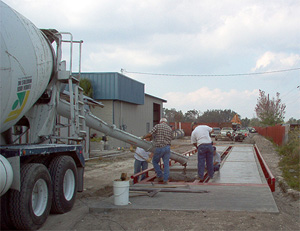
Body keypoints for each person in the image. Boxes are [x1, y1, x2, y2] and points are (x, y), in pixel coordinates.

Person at [143, 118, 173, 184]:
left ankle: (159, 175)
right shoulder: (169, 129)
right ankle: (165, 179)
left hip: (159, 147)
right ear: (166, 122)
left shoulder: (158, 126)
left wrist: (143, 137)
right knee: (166, 164)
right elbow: (171, 138)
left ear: (161, 122)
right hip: (167, 148)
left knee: (154, 161)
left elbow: (150, 134)